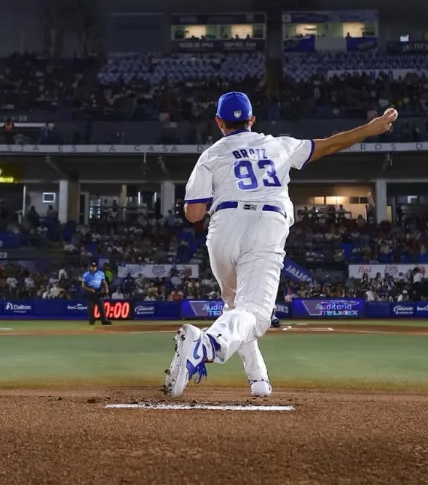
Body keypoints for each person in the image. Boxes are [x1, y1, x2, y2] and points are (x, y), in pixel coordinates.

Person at [163, 92, 398, 398]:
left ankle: (259, 380)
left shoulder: (210, 155)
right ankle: (207, 344)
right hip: (266, 225)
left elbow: (194, 213)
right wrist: (370, 129)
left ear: (219, 122)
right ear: (252, 120)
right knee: (256, 315)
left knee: (236, 308)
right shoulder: (278, 144)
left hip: (223, 229)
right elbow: (330, 144)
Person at [81, 261, 112, 326]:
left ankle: (104, 321)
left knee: (102, 307)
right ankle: (91, 321)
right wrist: (89, 289)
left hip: (98, 291)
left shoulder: (101, 273)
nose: (93, 268)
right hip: (90, 291)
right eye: (92, 267)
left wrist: (106, 289)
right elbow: (83, 285)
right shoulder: (86, 274)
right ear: (89, 267)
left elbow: (104, 282)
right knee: (91, 308)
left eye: (94, 267)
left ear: (96, 267)